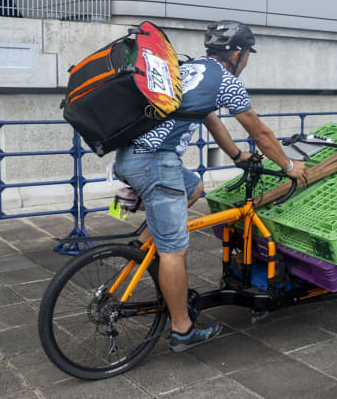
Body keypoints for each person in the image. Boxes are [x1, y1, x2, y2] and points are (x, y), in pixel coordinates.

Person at [115, 21, 308, 352]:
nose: (246, 60)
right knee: (174, 250)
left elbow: (211, 119)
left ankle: (141, 243)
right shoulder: (227, 82)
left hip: (129, 155)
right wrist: (289, 166)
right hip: (155, 163)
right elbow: (260, 132)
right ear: (236, 53)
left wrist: (236, 155)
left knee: (194, 187)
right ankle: (182, 330)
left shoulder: (190, 68)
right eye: (247, 54)